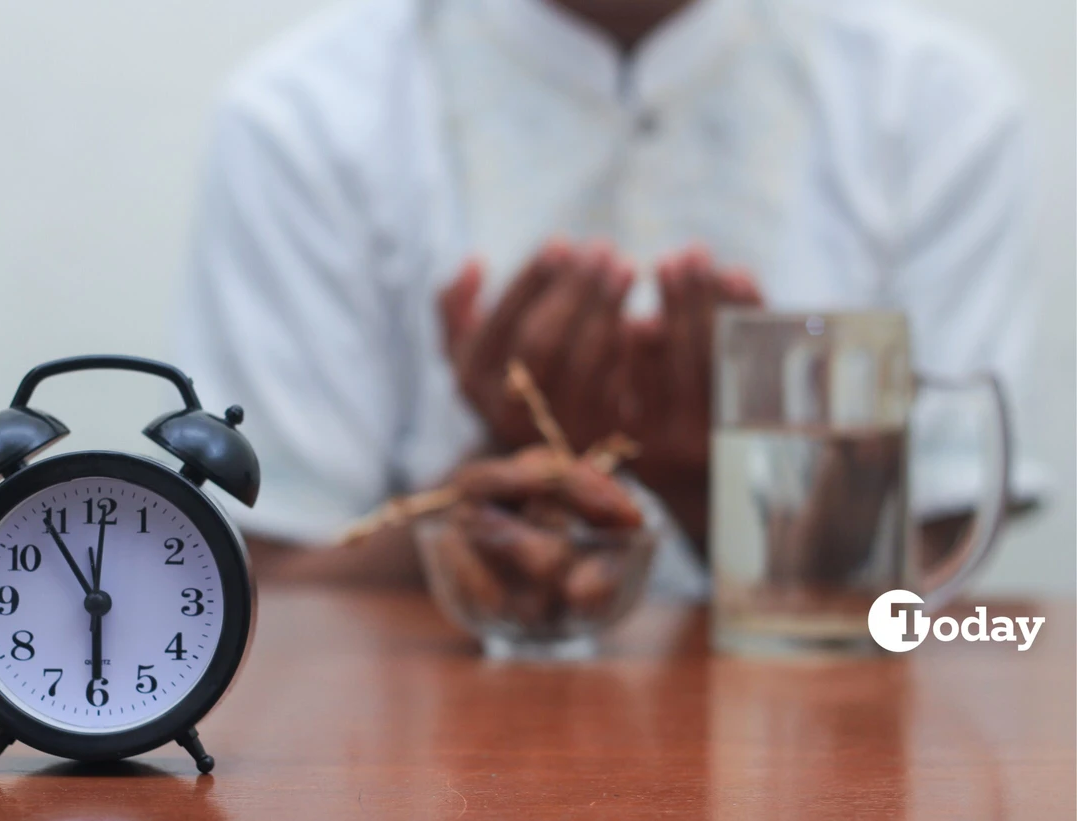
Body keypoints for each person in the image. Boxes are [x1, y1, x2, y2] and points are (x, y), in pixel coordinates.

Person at [177, 0, 1042, 587]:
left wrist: (715, 487)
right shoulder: (303, 117)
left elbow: (935, 568)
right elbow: (263, 588)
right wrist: (495, 482)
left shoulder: (932, 106)